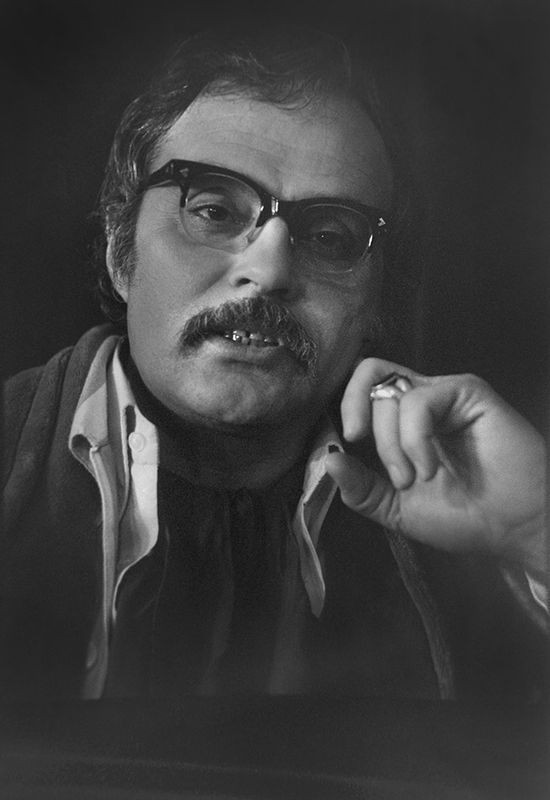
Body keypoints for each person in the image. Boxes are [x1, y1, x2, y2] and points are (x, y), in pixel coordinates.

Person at [1, 26, 547, 701]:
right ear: (121, 250)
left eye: (330, 236)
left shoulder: (461, 502)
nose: (269, 270)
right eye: (212, 209)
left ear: (377, 300)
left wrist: (538, 530)